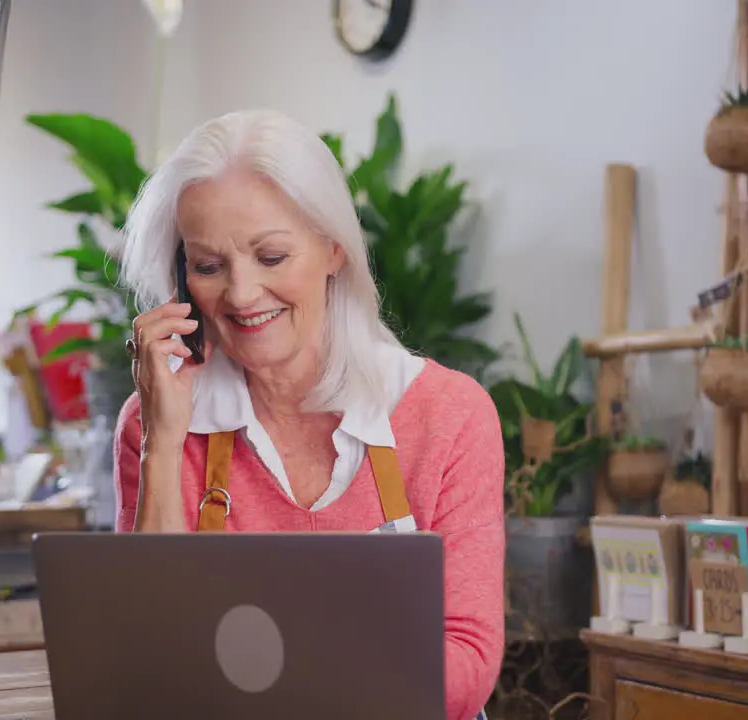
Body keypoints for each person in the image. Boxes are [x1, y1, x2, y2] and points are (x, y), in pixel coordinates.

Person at [113, 108, 505, 720]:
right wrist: (163, 445)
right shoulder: (157, 425)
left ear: (333, 250)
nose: (241, 295)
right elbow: (146, 660)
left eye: (270, 257)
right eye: (209, 267)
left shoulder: (448, 415)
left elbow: (467, 659)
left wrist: (288, 687)